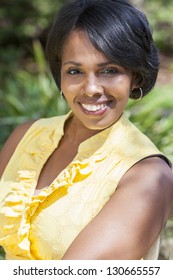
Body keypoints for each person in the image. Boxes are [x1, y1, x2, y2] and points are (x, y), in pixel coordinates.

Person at [0, 0, 173, 260]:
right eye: (74, 70)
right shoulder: (25, 137)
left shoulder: (148, 176)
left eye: (109, 70)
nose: (91, 88)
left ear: (134, 76)